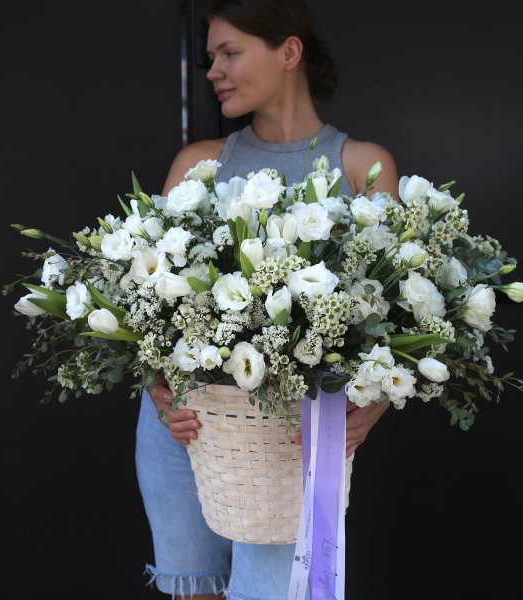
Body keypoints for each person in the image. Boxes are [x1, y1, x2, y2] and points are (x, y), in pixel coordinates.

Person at [136, 1, 398, 598]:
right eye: (211, 58)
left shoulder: (363, 166)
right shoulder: (198, 164)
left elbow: (390, 317)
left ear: (289, 52)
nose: (214, 71)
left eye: (229, 53)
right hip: (185, 427)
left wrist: (372, 411)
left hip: (293, 439)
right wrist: (157, 391)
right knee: (195, 590)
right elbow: (145, 305)